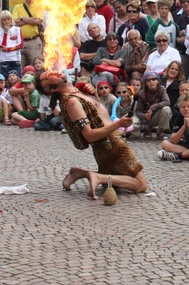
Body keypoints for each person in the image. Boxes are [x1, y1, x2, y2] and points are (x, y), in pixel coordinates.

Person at [50, 71, 148, 200]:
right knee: (141, 185)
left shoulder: (77, 92)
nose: (57, 72)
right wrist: (118, 124)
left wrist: (94, 94)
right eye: (51, 75)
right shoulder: (71, 102)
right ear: (55, 87)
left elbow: (98, 113)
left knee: (117, 181)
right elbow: (89, 135)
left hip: (109, 142)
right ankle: (97, 177)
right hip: (111, 144)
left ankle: (80, 173)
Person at [12, 0, 45, 67]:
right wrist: (31, 20)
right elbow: (14, 23)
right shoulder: (17, 7)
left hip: (33, 42)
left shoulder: (39, 7)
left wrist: (22, 18)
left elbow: (38, 21)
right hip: (19, 42)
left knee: (36, 65)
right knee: (19, 66)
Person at [135, 71, 172, 140]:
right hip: (147, 118)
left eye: (154, 79)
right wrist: (144, 116)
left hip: (158, 115)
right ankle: (147, 129)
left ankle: (160, 131)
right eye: (148, 80)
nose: (151, 81)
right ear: (145, 83)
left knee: (166, 109)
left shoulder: (162, 89)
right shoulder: (142, 94)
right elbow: (138, 111)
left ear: (158, 81)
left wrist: (153, 107)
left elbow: (167, 102)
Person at [0, 10, 23, 79]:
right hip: (4, 59)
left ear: (11, 19)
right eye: (4, 20)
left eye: (8, 19)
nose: (7, 21)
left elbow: (21, 44)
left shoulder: (17, 29)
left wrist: (8, 49)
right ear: (1, 21)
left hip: (15, 59)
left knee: (17, 79)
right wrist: (5, 32)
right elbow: (2, 46)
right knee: (4, 80)